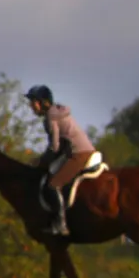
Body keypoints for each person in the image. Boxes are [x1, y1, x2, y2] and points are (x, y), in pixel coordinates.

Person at [27, 85, 95, 236]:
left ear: (43, 102)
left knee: (52, 185)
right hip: (75, 151)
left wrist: (40, 161)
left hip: (78, 154)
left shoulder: (50, 118)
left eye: (33, 103)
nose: (30, 106)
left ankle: (60, 224)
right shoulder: (55, 113)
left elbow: (54, 147)